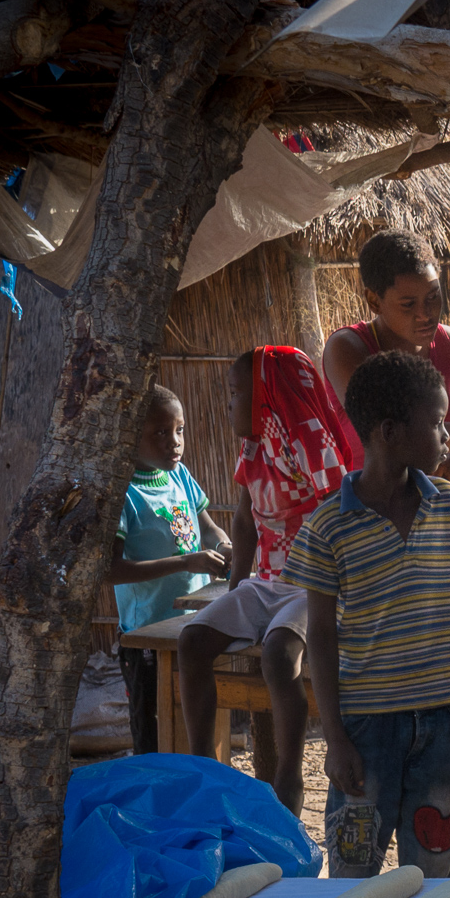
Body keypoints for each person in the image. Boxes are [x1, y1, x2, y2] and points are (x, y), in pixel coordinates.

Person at [284, 352, 450, 879]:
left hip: (440, 724)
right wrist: (335, 737)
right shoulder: (329, 526)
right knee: (352, 871)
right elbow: (320, 634)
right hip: (365, 729)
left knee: (434, 870)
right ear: (390, 431)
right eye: (436, 423)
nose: (446, 436)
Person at [178, 347, 357, 814]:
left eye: (237, 393)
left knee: (280, 655)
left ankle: (288, 779)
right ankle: (205, 771)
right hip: (268, 582)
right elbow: (243, 520)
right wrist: (236, 589)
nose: (229, 405)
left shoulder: (309, 442)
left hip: (313, 583)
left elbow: (339, 516)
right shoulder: (256, 444)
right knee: (193, 640)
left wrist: (335, 592)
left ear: (266, 396)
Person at [108, 386, 231, 756]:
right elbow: (109, 571)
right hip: (146, 638)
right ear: (132, 435)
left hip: (192, 628)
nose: (174, 442)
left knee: (195, 728)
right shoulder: (123, 493)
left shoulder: (180, 477)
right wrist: (187, 562)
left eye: (179, 430)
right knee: (154, 738)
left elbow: (208, 527)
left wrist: (224, 544)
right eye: (160, 433)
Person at [322, 230, 450, 468]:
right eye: (408, 304)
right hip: (375, 503)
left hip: (447, 501)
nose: (425, 314)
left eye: (433, 297)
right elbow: (393, 434)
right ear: (374, 302)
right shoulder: (347, 348)